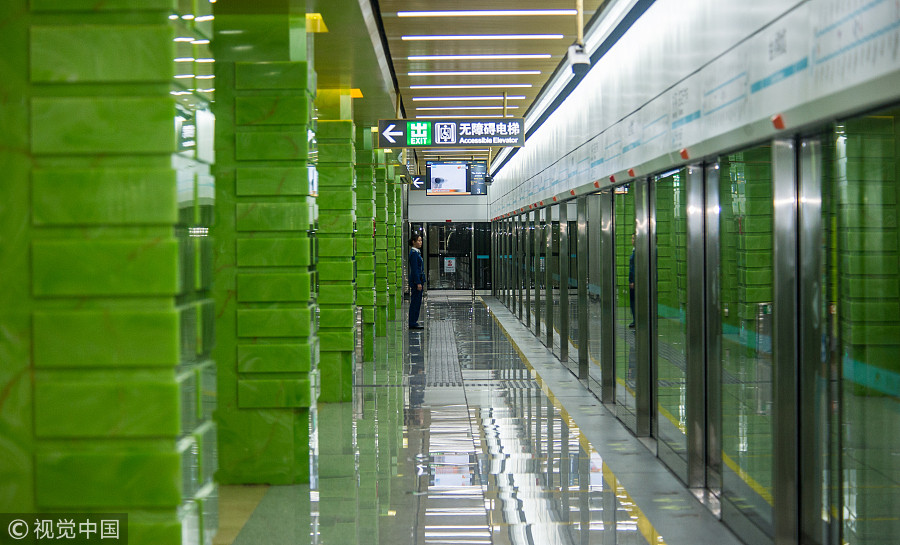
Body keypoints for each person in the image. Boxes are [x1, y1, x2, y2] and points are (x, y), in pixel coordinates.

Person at [408, 234, 425, 329]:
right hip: (416, 281)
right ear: (413, 242)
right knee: (415, 301)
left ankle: (414, 321)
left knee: (417, 301)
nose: (420, 242)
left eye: (421, 240)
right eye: (418, 240)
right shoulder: (414, 254)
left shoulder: (417, 253)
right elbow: (415, 270)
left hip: (419, 280)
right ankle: (412, 322)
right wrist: (418, 282)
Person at [628, 232, 635, 328]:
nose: (632, 240)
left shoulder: (637, 252)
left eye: (634, 238)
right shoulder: (634, 251)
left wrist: (633, 281)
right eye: (632, 238)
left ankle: (636, 319)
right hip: (632, 281)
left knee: (634, 301)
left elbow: (634, 268)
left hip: (634, 282)